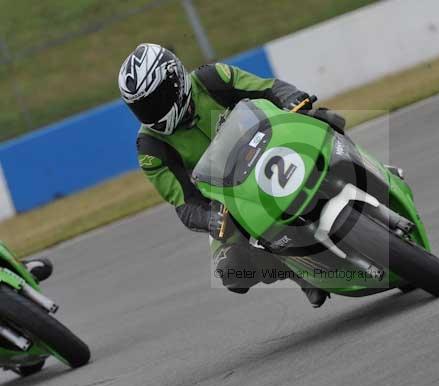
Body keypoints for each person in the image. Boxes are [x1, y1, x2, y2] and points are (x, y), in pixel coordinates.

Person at [118, 43, 329, 307]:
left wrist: (291, 98)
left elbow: (267, 87)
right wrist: (210, 218)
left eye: (155, 100)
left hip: (272, 148)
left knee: (323, 118)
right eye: (142, 108)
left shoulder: (212, 78)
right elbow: (183, 203)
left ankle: (368, 169)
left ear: (175, 81)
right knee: (232, 272)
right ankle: (299, 271)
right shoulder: (150, 147)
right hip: (230, 200)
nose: (151, 113)